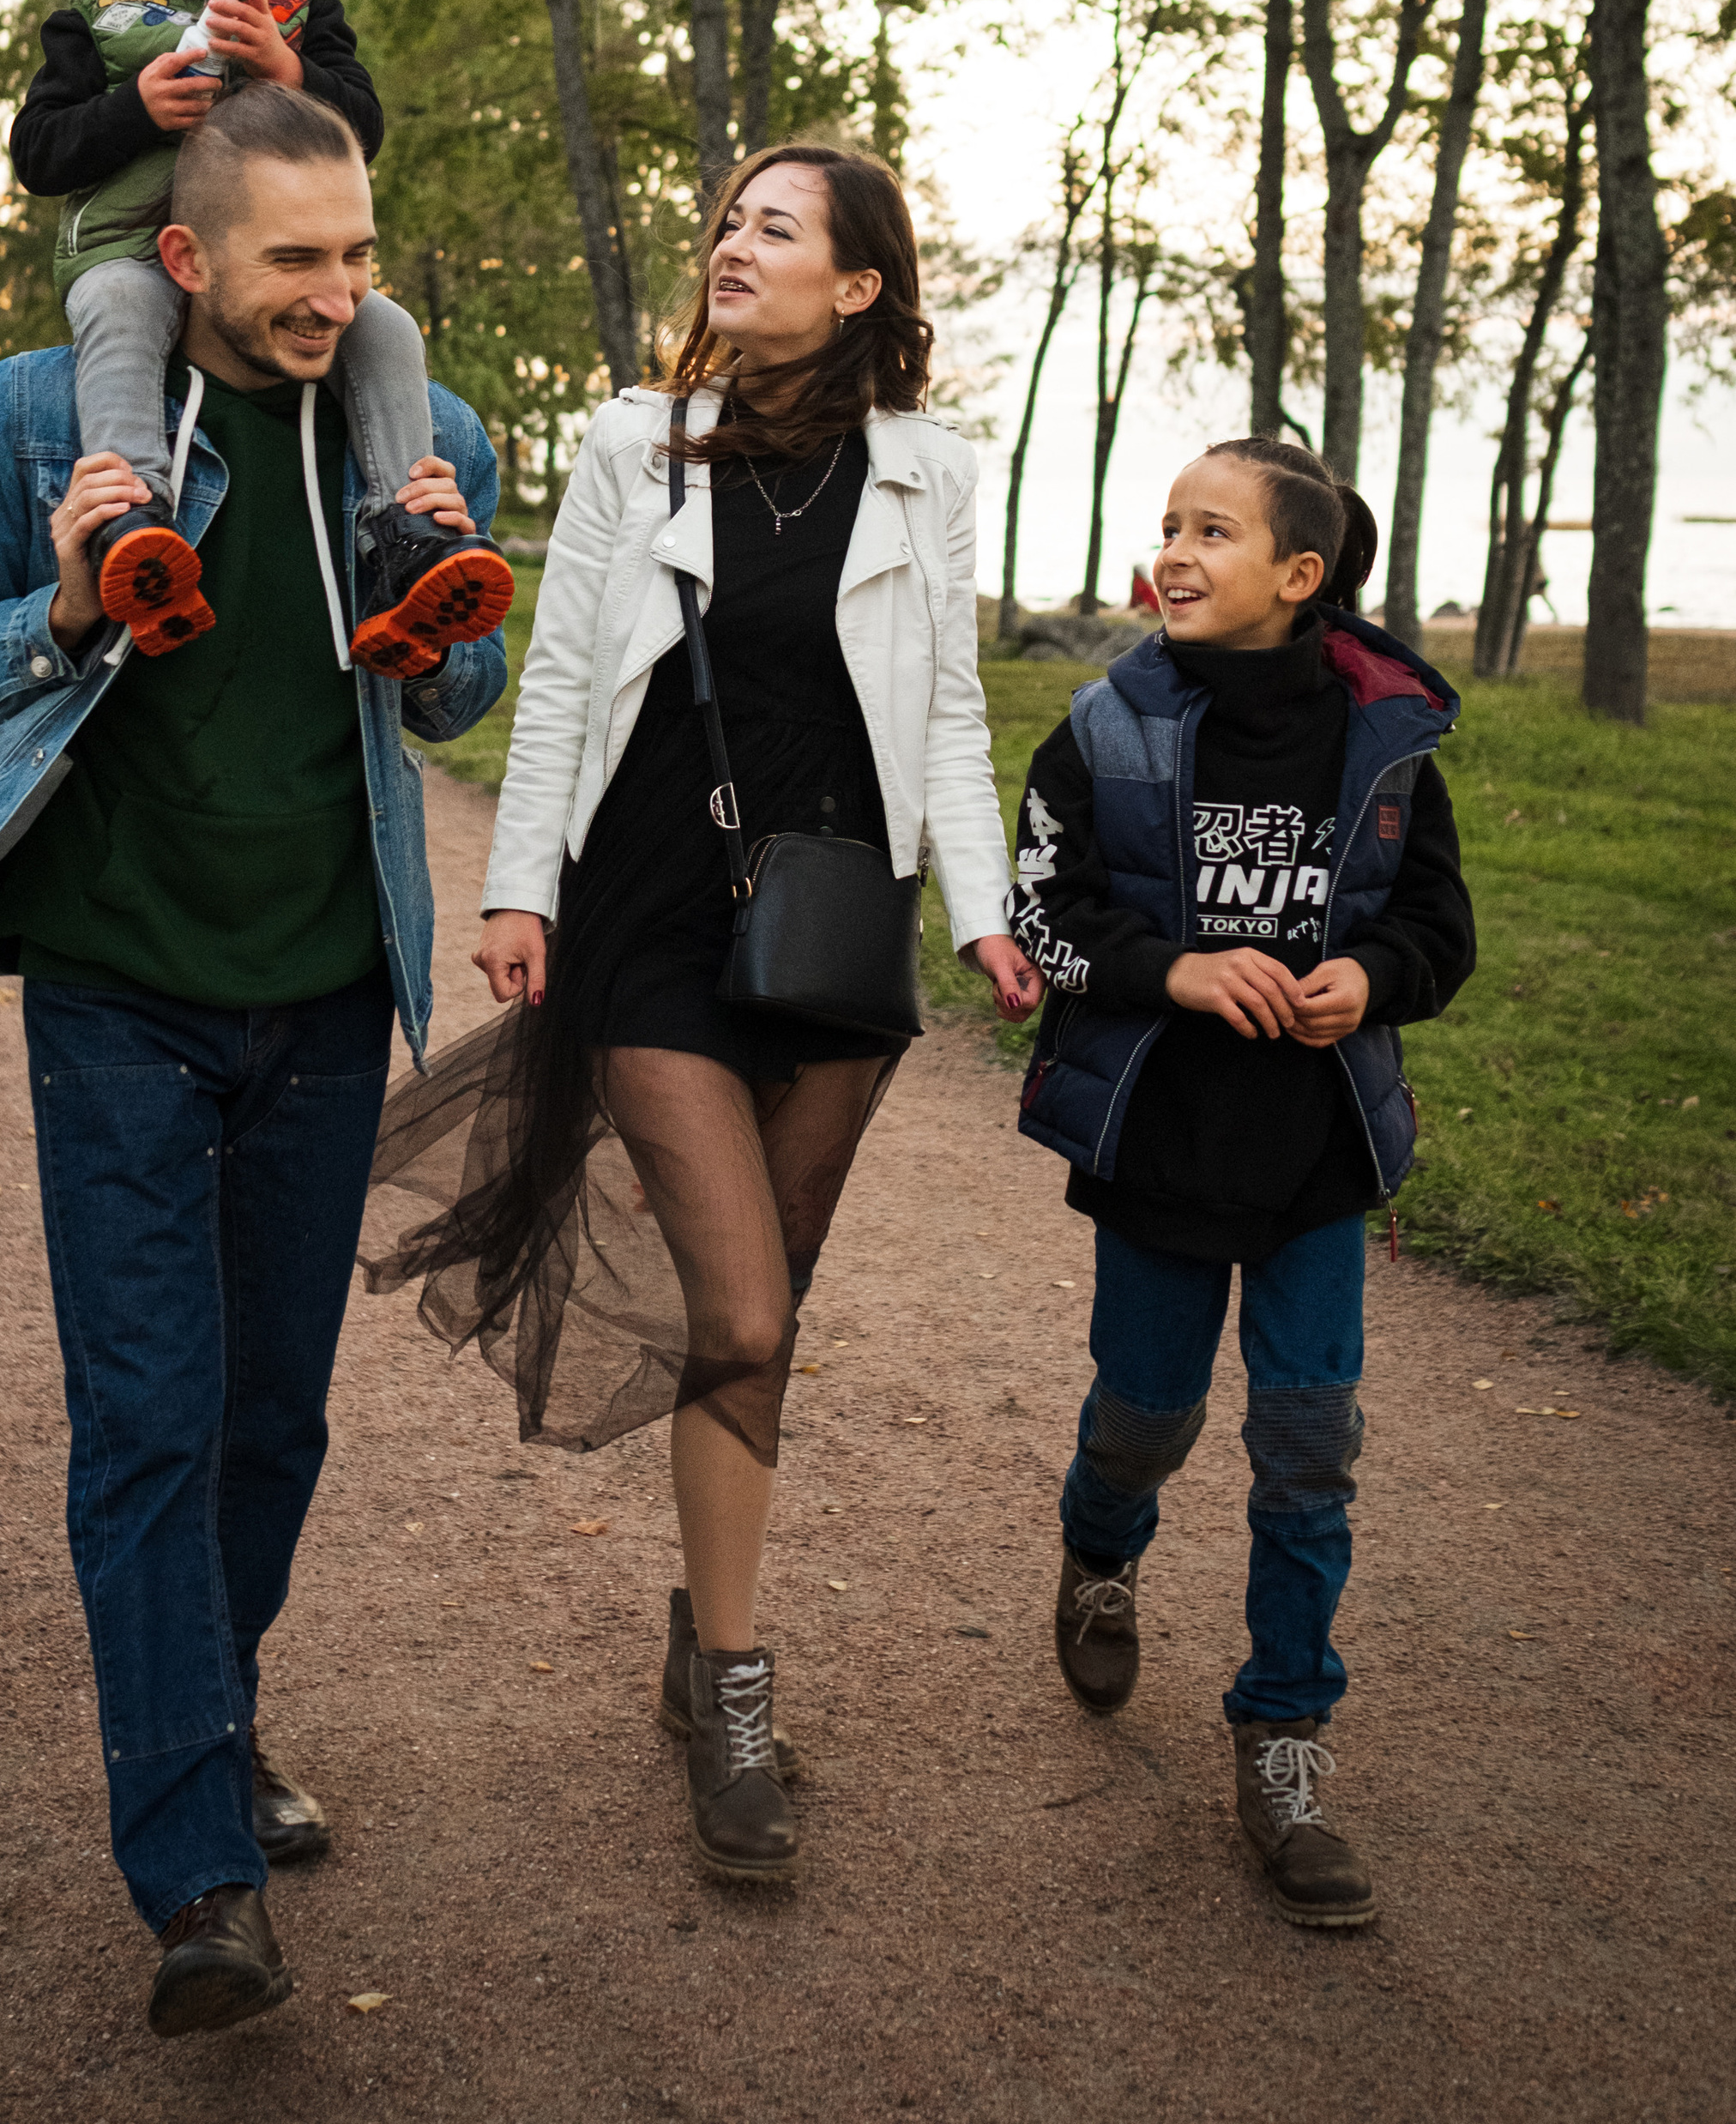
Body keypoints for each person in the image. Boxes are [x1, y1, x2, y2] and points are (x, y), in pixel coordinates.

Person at [0, 81, 508, 2040]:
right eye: (294, 259)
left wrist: (444, 619)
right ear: (187, 258)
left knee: (268, 1422)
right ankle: (195, 1876)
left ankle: (204, 1723)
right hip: (117, 987)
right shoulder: (27, 422)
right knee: (150, 1412)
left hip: (326, 988)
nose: (333, 295)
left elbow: (465, 687)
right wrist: (64, 606)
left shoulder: (424, 437)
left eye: (356, 257)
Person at [363, 142, 1042, 1888]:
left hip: (832, 929)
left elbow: (949, 714)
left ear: (860, 286)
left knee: (767, 1311)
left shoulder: (926, 475)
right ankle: (736, 1687)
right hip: (652, 917)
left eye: (777, 228)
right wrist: (521, 884)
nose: (735, 245)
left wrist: (983, 917)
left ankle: (698, 1636)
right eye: (727, 221)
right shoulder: (625, 441)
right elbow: (573, 674)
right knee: (734, 1302)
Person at [1010, 437, 1476, 1932]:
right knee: (1145, 1418)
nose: (1176, 553)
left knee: (1308, 1447)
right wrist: (1175, 967)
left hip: (1314, 1162)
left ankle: (1282, 1733)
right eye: (1166, 527)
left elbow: (1439, 932)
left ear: (1302, 575)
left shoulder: (1388, 746)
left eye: (1213, 530)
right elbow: (1046, 924)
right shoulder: (1106, 728)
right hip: (1161, 1149)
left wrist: (1371, 974)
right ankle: (1099, 1548)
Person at [9, 0, 511, 675]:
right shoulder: (93, 12)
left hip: (272, 265)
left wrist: (283, 66)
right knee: (118, 309)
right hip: (130, 248)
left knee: (389, 329)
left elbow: (360, 122)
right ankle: (133, 524)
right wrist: (135, 109)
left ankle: (403, 540)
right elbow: (38, 153)